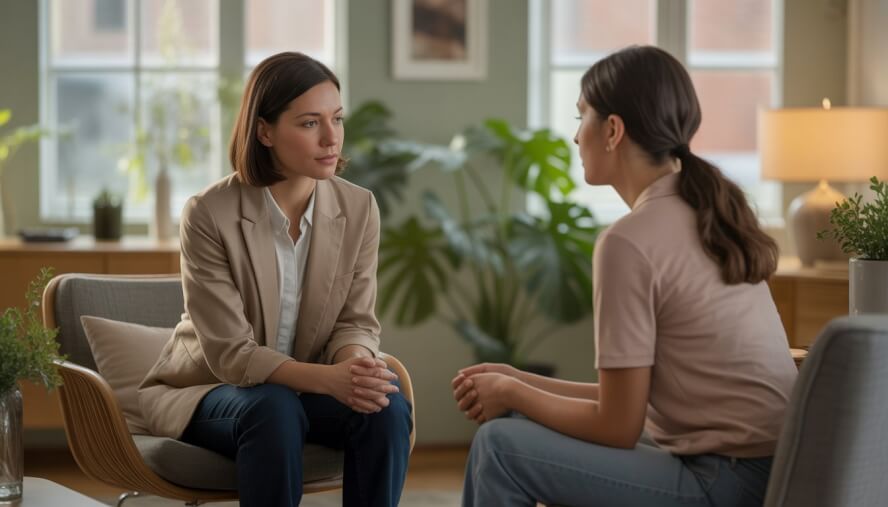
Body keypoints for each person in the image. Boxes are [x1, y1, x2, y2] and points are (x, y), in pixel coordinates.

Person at [452, 45, 798, 507]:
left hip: (726, 483)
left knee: (499, 448)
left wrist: (514, 389)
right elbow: (630, 402)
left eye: (581, 117)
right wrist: (519, 381)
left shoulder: (629, 241)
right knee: (519, 416)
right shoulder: (708, 212)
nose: (576, 137)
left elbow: (617, 426)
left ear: (612, 130)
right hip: (769, 470)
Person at [138, 52, 412, 507]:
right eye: (309, 123)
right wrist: (330, 380)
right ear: (264, 131)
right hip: (209, 392)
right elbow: (231, 354)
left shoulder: (359, 207)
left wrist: (355, 367)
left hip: (303, 391)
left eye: (337, 119)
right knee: (273, 407)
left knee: (384, 405)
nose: (331, 138)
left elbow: (356, 321)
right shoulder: (209, 214)